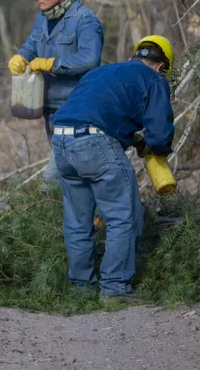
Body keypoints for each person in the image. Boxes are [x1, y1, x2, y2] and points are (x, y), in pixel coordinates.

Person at [50, 35, 175, 300]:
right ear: (161, 66)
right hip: (94, 141)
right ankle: (115, 288)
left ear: (135, 56)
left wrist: (132, 138)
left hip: (61, 140)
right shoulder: (153, 79)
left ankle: (81, 289)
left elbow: (96, 108)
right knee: (123, 216)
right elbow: (160, 136)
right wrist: (154, 148)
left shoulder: (104, 71)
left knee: (77, 221)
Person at [8, 0, 104, 180]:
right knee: (73, 177)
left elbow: (90, 59)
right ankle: (78, 213)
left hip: (77, 109)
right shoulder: (42, 19)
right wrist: (21, 57)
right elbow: (32, 44)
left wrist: (52, 64)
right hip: (51, 109)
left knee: (54, 176)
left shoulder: (85, 21)